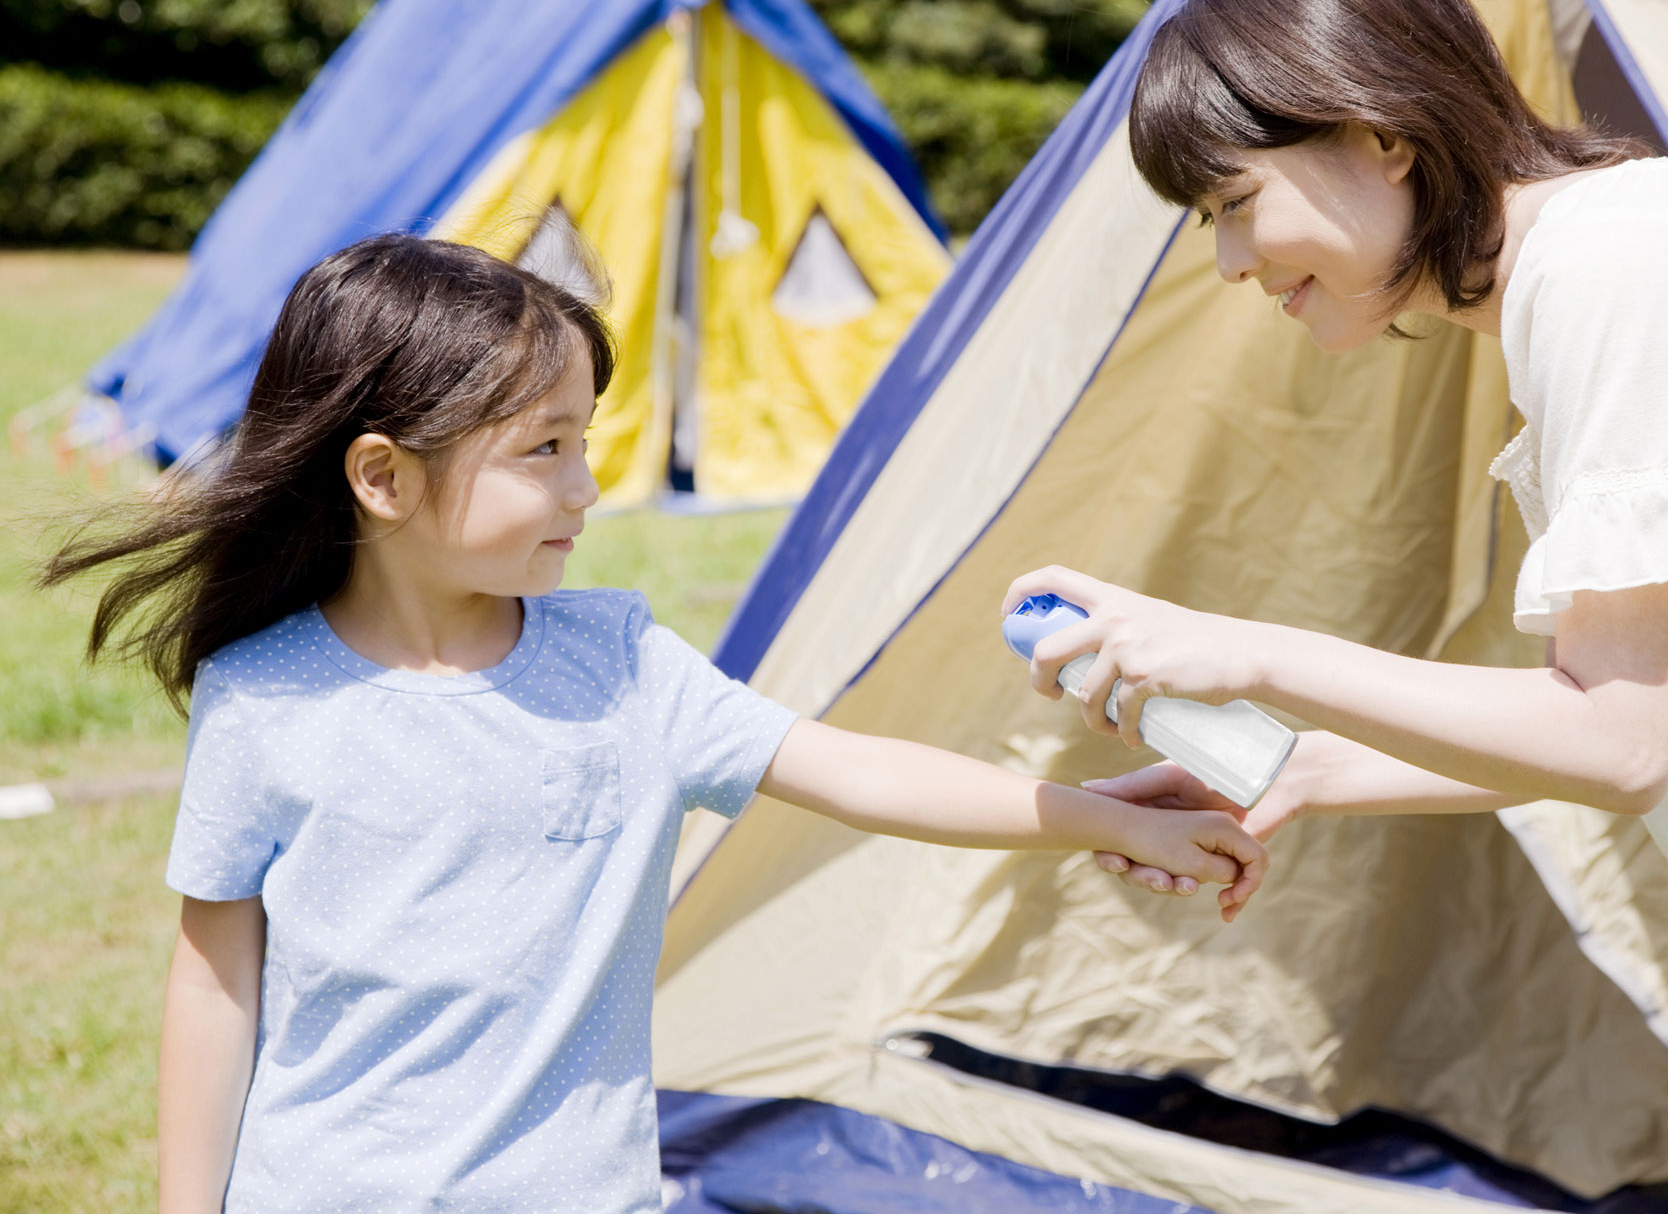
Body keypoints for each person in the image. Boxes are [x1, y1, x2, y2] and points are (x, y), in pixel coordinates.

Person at [1002, 0, 1668, 1214]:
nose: (1234, 263)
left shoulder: (1628, 266)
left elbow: (1620, 742)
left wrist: (1246, 648)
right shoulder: (1585, 284)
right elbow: (1606, 711)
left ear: (1381, 133)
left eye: (1236, 204)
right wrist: (1296, 767)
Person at [43, 235, 1266, 1214]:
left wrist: (1093, 816)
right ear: (382, 477)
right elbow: (213, 981)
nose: (584, 488)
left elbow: (855, 772)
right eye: (545, 449)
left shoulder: (625, 667)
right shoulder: (266, 695)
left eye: (587, 443)